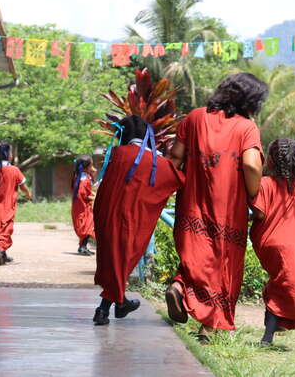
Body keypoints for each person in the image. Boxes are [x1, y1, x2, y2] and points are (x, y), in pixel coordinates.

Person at [166, 73, 268, 338]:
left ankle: (178, 288)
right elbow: (250, 164)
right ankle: (208, 328)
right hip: (227, 210)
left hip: (191, 205)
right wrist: (254, 194)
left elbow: (175, 156)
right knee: (222, 264)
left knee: (195, 258)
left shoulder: (195, 117)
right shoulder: (246, 127)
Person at [92, 115, 185, 325]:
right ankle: (103, 310)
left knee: (115, 262)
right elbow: (178, 180)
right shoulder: (155, 162)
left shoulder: (116, 153)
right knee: (122, 261)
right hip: (131, 221)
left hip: (106, 218)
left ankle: (119, 305)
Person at [250, 138, 295, 345]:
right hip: (286, 246)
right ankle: (267, 337)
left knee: (278, 283)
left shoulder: (265, 184)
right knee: (284, 286)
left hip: (266, 242)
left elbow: (258, 213)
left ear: (271, 161)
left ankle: (272, 329)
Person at [71, 156, 97, 255]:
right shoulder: (84, 180)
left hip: (79, 206)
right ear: (87, 167)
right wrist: (93, 198)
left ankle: (83, 246)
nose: (93, 167)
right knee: (87, 225)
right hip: (83, 207)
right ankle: (82, 247)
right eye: (91, 165)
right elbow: (84, 194)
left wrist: (93, 174)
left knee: (86, 225)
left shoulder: (79, 177)